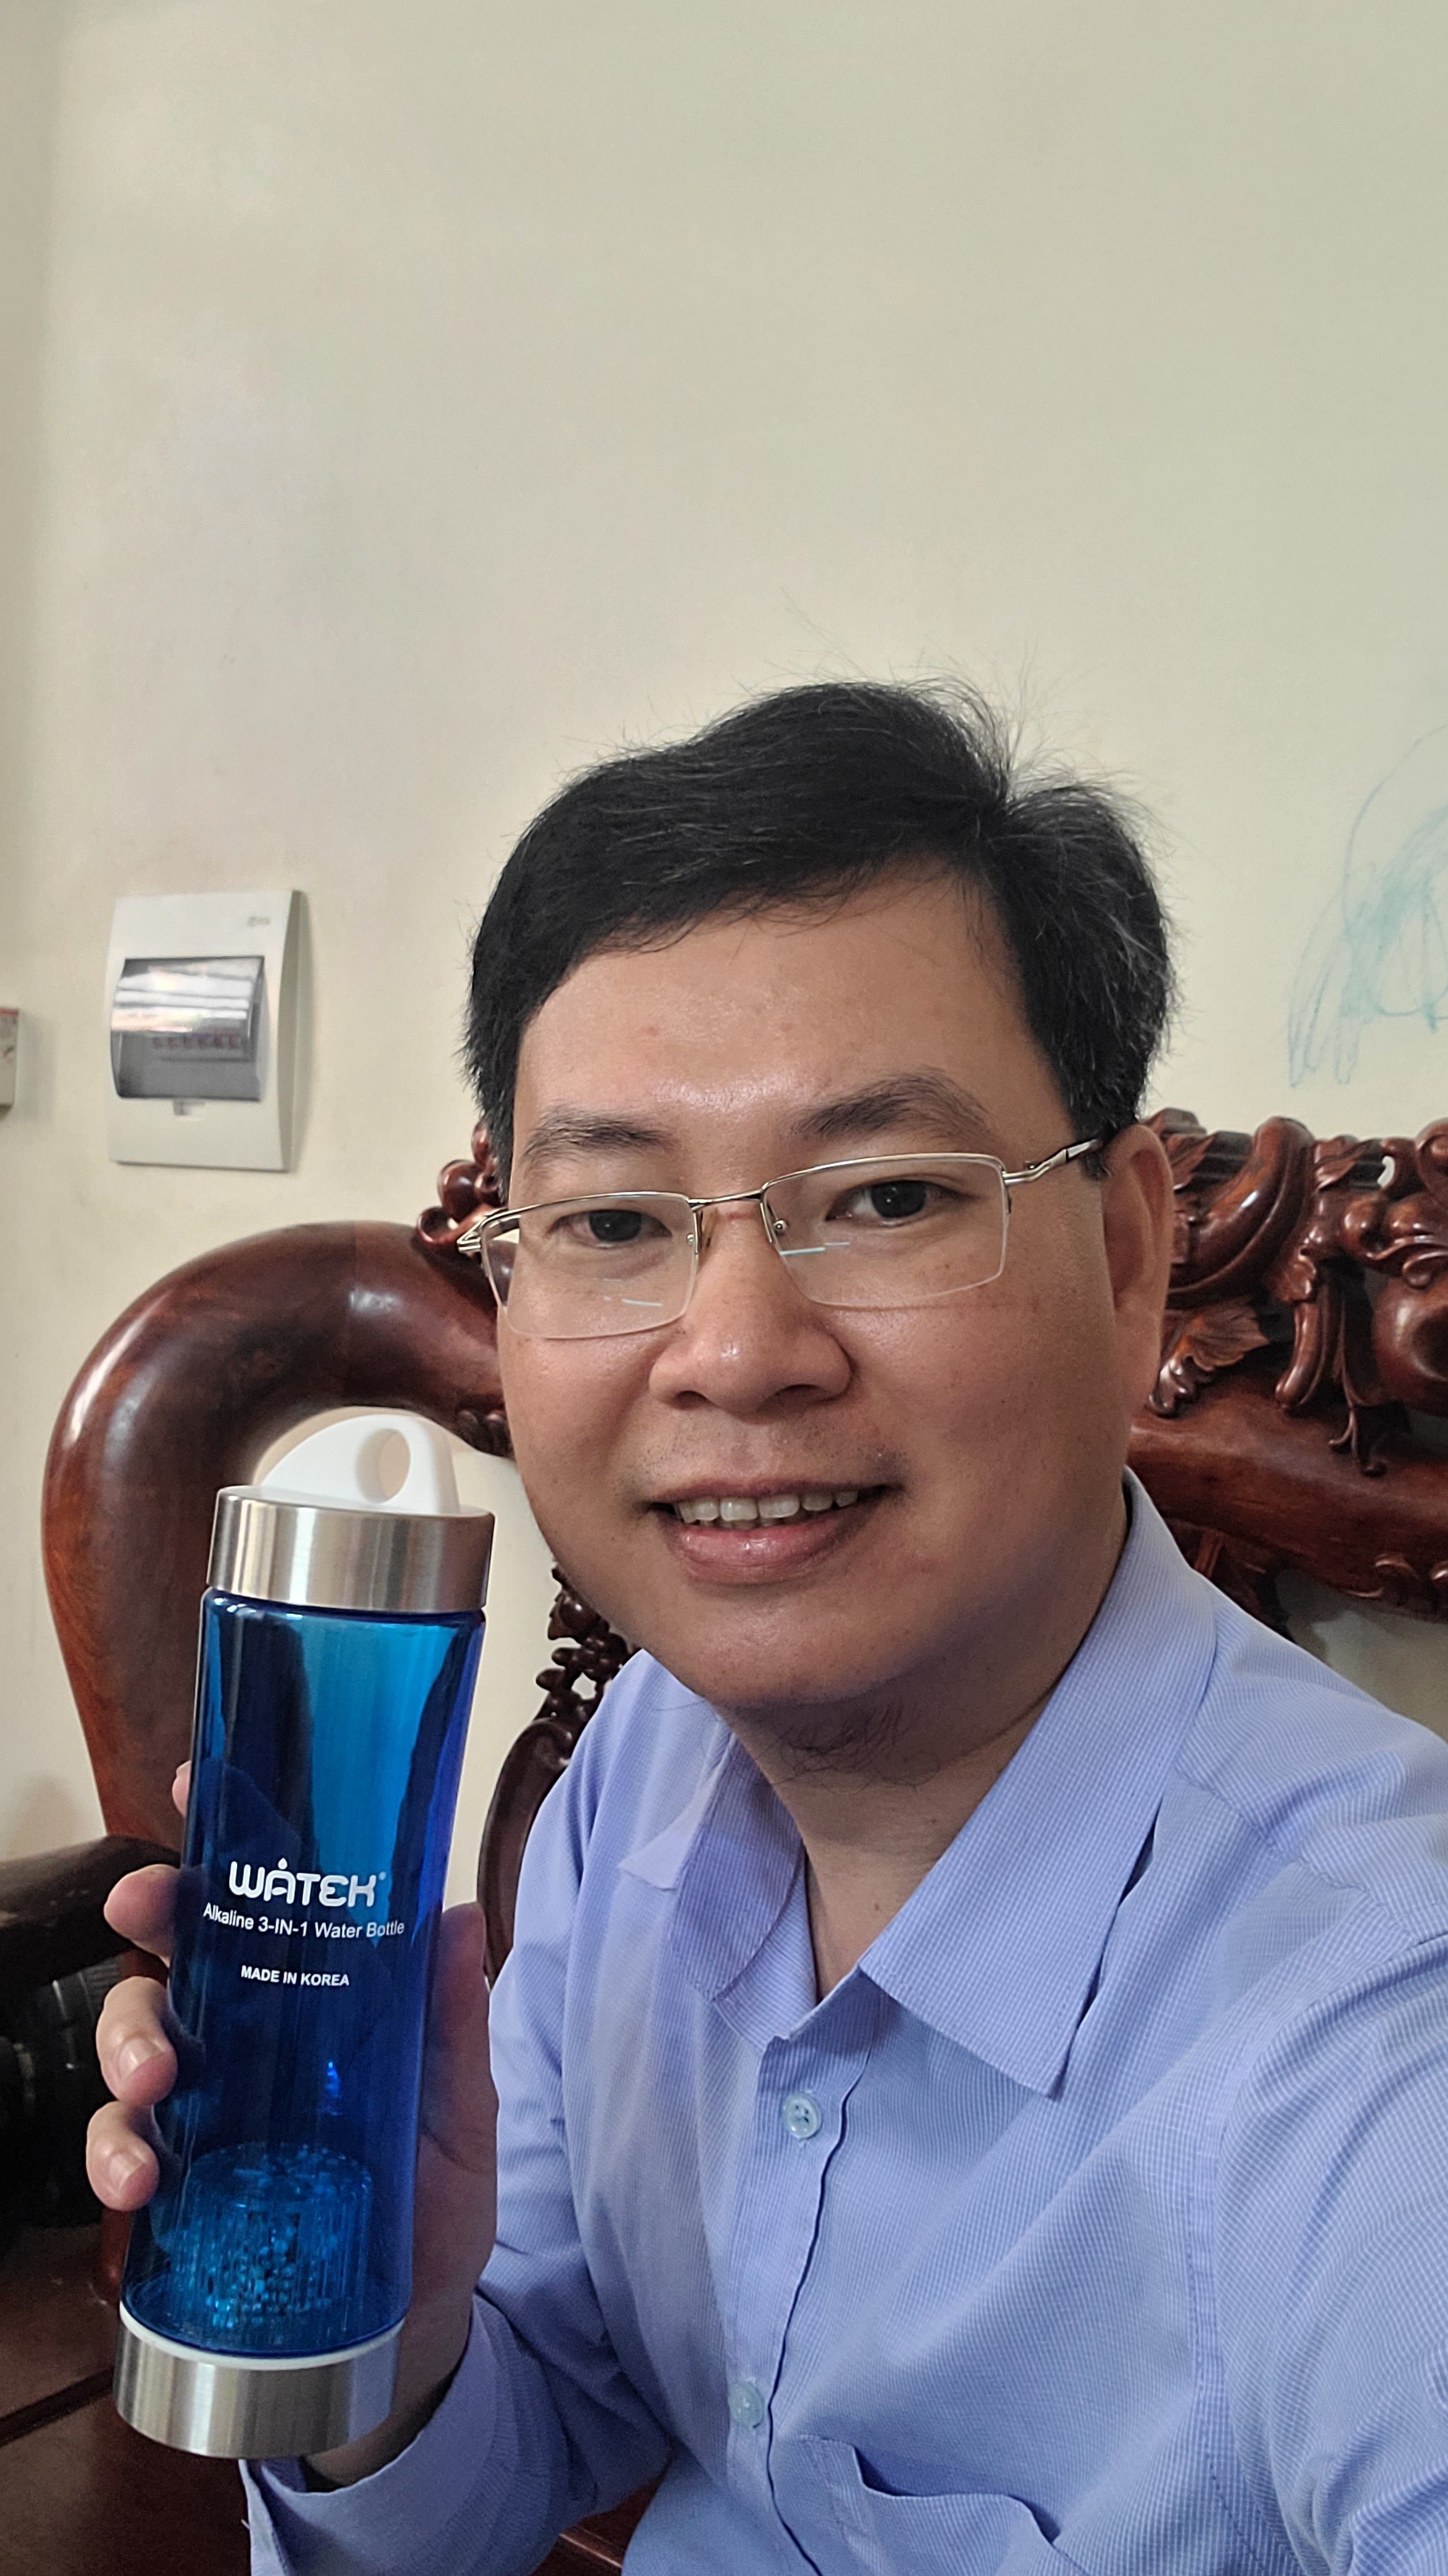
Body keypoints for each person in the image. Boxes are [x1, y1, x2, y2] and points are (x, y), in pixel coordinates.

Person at [90, 683, 1448, 2573]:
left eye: (884, 1196)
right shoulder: (651, 1757)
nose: (732, 1354)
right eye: (612, 1222)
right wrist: (397, 2329)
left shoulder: (1376, 2064)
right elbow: (550, 2412)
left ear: (1129, 1254)